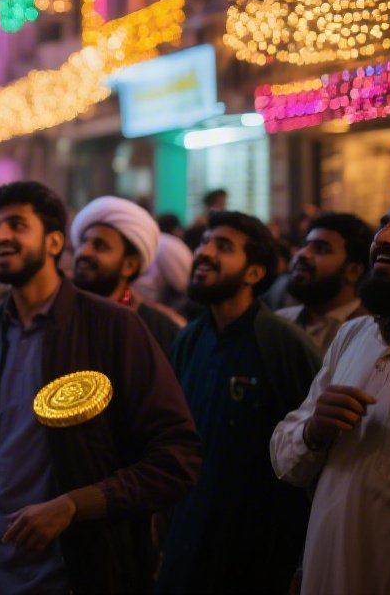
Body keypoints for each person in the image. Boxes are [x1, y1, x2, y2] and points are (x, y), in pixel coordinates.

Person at [0, 181, 199, 594]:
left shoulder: (113, 327)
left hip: (82, 571)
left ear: (55, 242)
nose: (1, 236)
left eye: (17, 225)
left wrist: (76, 504)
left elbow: (178, 457)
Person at [272, 180, 390, 594]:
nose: (384, 239)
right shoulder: (355, 336)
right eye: (384, 225)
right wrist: (313, 431)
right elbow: (286, 461)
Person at [158, 211, 319, 593]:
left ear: (254, 273)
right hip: (186, 536)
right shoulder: (190, 339)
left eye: (223, 247)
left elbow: (309, 454)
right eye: (205, 243)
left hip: (254, 551)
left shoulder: (282, 344)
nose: (205, 253)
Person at [69, 196, 186, 354]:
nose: (84, 252)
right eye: (83, 242)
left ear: (129, 266)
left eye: (100, 246)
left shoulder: (158, 331)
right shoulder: (56, 316)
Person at [278, 212, 374, 352]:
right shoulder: (280, 322)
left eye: (321, 249)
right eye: (303, 245)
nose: (302, 254)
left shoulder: (370, 333)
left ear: (353, 271)